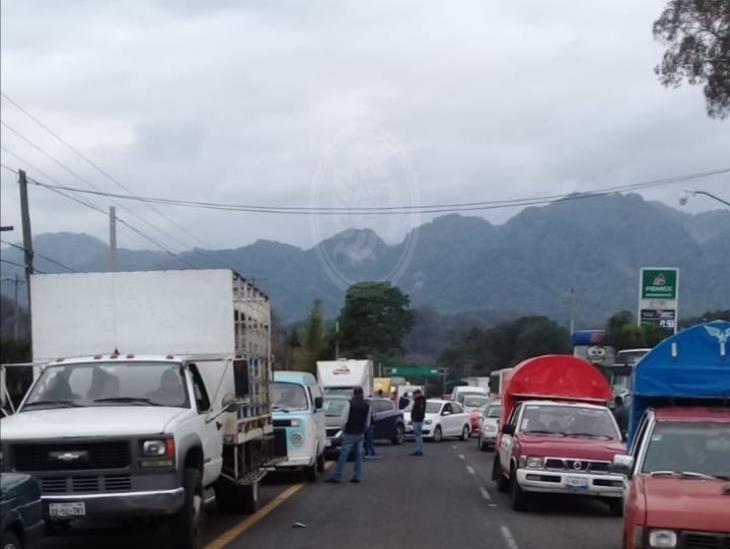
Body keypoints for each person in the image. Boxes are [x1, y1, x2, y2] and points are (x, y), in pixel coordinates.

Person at [327, 387, 371, 483]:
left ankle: (337, 476)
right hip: (360, 433)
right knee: (359, 455)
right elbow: (367, 422)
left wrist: (343, 429)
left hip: (349, 432)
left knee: (343, 454)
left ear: (354, 393)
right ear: (362, 394)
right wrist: (364, 430)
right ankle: (357, 476)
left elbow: (344, 419)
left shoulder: (349, 403)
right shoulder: (367, 405)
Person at [410, 389, 426, 456]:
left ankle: (419, 450)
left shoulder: (420, 401)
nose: (413, 396)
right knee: (418, 435)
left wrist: (415, 419)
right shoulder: (419, 401)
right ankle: (418, 449)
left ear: (418, 394)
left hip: (417, 421)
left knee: (418, 436)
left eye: (414, 395)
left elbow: (420, 412)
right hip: (417, 420)